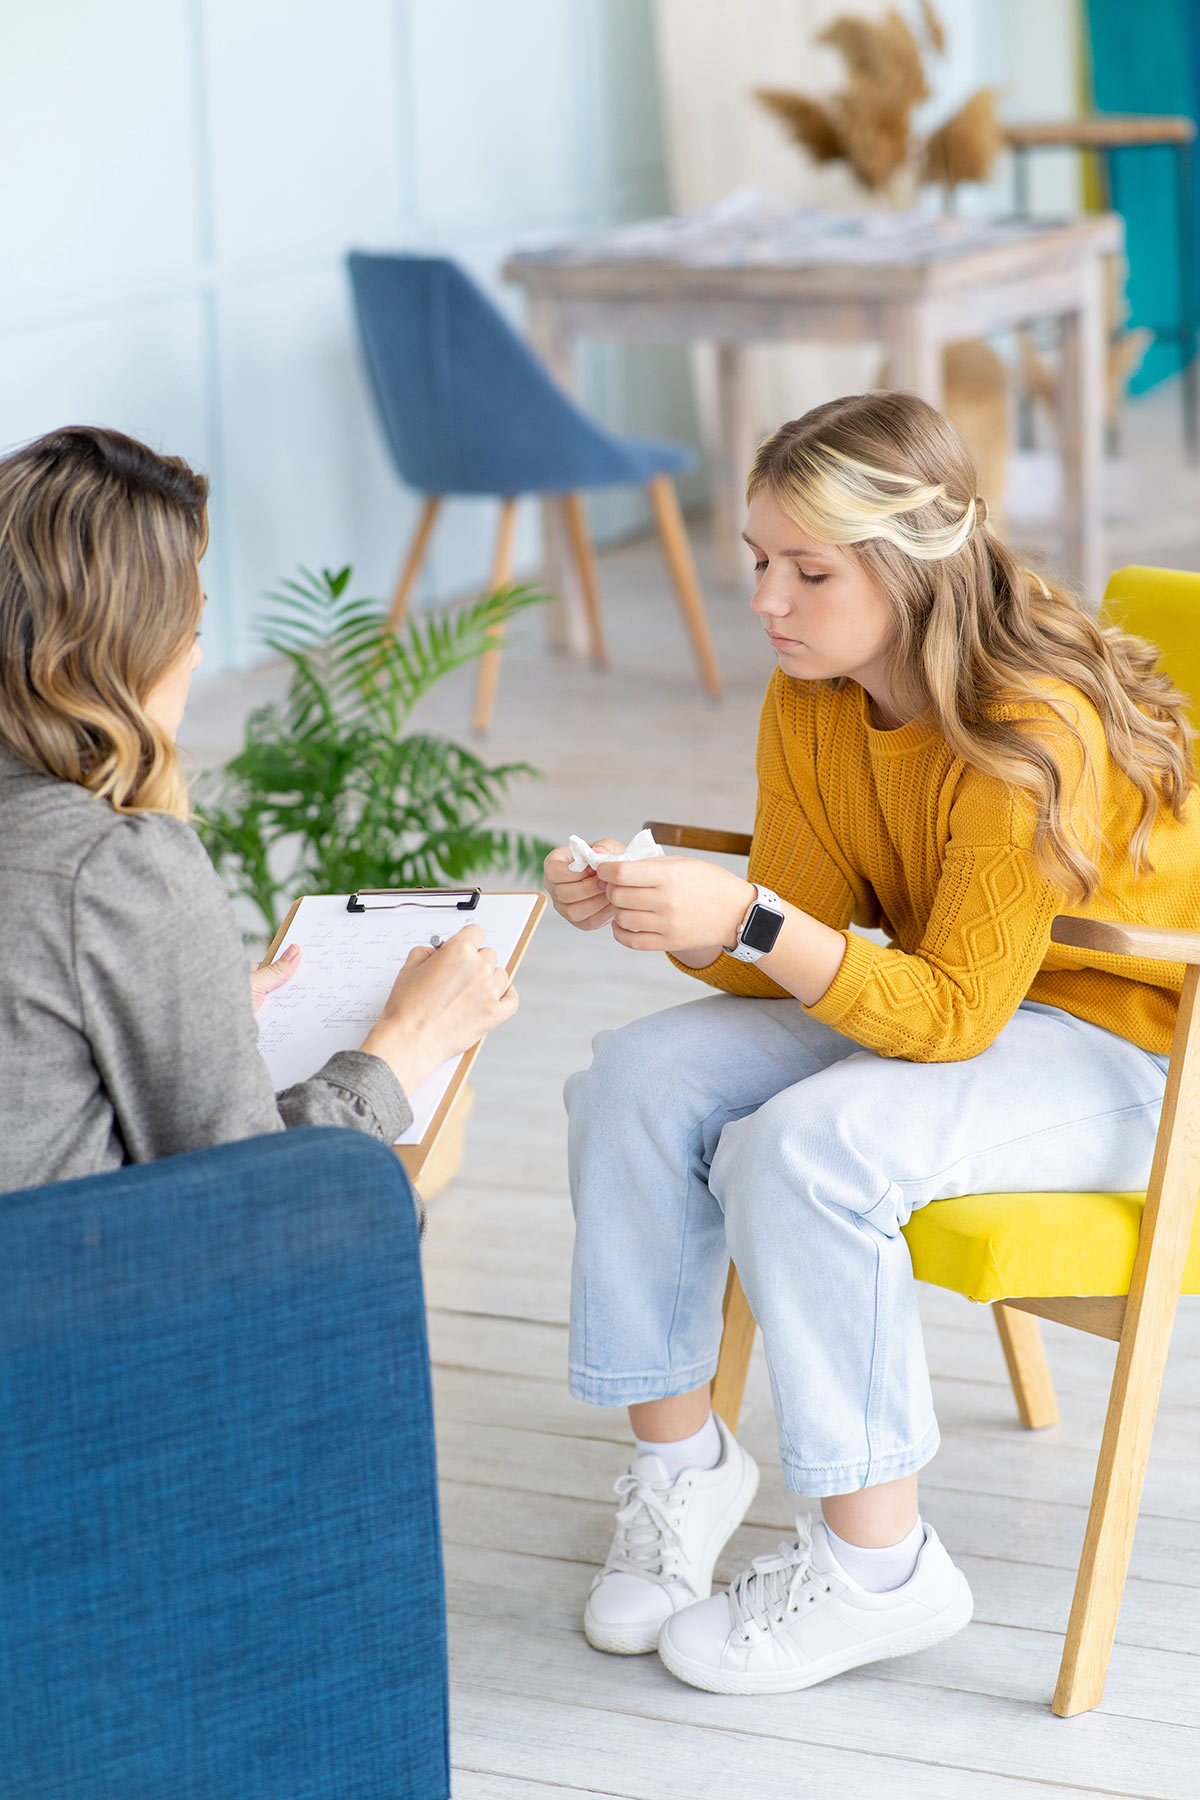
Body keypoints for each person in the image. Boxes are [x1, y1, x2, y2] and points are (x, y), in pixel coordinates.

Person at [543, 391, 1200, 1697]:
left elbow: (949, 1012)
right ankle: (684, 1468)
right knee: (635, 1073)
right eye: (759, 562)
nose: (770, 598)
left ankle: (881, 1564)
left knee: (810, 1145)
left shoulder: (1030, 727)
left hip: (1129, 1043)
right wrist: (662, 909)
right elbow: (788, 935)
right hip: (960, 1005)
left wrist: (759, 919)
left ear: (907, 567)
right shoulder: (818, 697)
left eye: (809, 570)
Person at [0, 425, 517, 1195]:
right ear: (130, 644)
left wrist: (187, 1006)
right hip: (69, 1303)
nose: (197, 656)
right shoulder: (117, 865)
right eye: (190, 626)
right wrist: (408, 1044)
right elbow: (255, 1195)